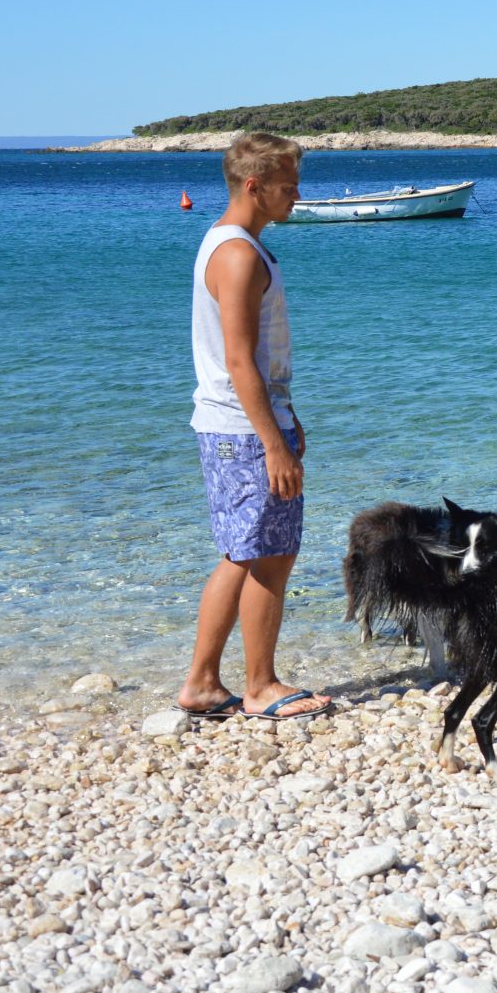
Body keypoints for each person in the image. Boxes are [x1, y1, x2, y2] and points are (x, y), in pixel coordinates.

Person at [176, 133, 334, 721]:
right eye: (288, 186)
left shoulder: (228, 244)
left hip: (236, 425)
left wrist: (288, 422)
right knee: (267, 555)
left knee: (243, 552)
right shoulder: (238, 254)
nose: (297, 196)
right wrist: (274, 441)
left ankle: (202, 684)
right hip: (244, 430)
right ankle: (260, 686)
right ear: (254, 186)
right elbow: (240, 360)